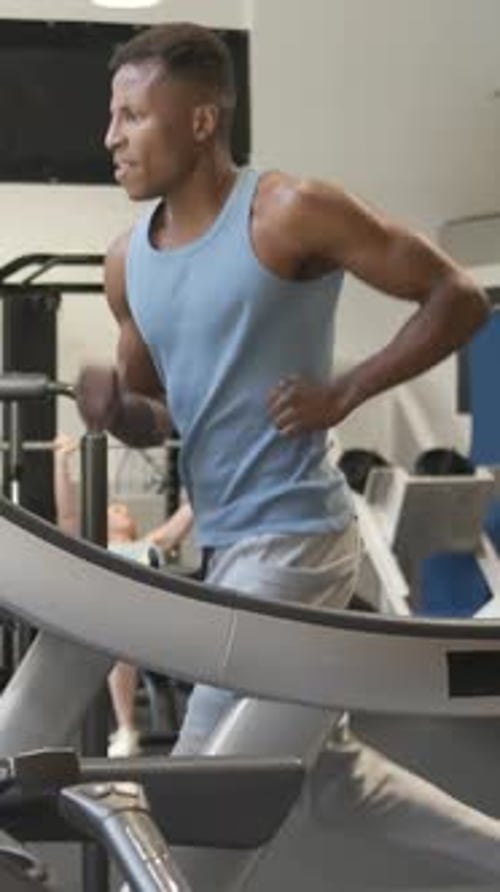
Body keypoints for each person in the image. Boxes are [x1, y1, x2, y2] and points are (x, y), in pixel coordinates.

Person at [75, 21, 500, 880]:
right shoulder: (128, 265)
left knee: (196, 790)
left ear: (201, 120)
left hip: (298, 540)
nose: (109, 137)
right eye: (110, 116)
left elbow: (457, 299)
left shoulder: (288, 210)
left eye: (131, 115)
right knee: (329, 778)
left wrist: (345, 392)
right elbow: (161, 418)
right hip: (229, 544)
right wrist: (116, 409)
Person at [53, 434, 193, 757]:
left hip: (152, 624)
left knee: (120, 630)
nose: (121, 507)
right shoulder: (96, 546)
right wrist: (61, 462)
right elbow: (69, 516)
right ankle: (127, 728)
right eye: (114, 507)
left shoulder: (149, 544)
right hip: (112, 623)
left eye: (124, 508)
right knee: (116, 633)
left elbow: (188, 514)